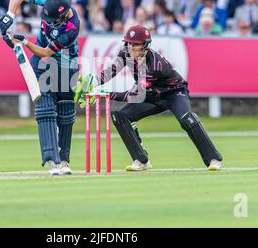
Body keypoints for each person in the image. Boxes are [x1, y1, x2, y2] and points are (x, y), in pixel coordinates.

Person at [76, 25, 223, 171]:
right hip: (151, 95)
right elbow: (110, 71)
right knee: (120, 116)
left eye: (136, 44)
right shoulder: (125, 53)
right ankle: (141, 160)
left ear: (145, 45)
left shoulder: (154, 65)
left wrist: (107, 94)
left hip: (173, 93)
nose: (131, 47)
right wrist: (92, 83)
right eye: (129, 43)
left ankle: (213, 158)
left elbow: (133, 95)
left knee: (187, 119)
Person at [0, 0, 80, 176]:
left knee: (66, 112)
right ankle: (52, 160)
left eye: (53, 20)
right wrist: (10, 15)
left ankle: (65, 160)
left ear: (64, 15)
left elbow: (45, 52)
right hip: (41, 64)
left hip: (65, 64)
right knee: (45, 110)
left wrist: (24, 41)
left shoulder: (71, 28)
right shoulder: (50, 1)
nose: (48, 23)